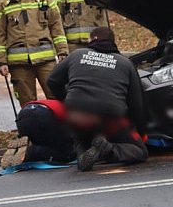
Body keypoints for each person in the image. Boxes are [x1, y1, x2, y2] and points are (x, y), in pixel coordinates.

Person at [47, 26, 148, 171]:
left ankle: (83, 153)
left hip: (77, 114)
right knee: (140, 152)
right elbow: (136, 103)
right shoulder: (125, 63)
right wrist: (141, 132)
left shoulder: (77, 54)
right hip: (109, 117)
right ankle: (108, 149)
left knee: (81, 137)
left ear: (92, 40)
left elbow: (52, 80)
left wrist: (66, 99)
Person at [0, 0, 68, 107]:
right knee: (27, 102)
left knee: (57, 96)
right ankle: (32, 129)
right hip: (19, 64)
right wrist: (1, 61)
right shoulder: (2, 3)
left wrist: (62, 51)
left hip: (46, 61)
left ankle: (61, 128)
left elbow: (56, 25)